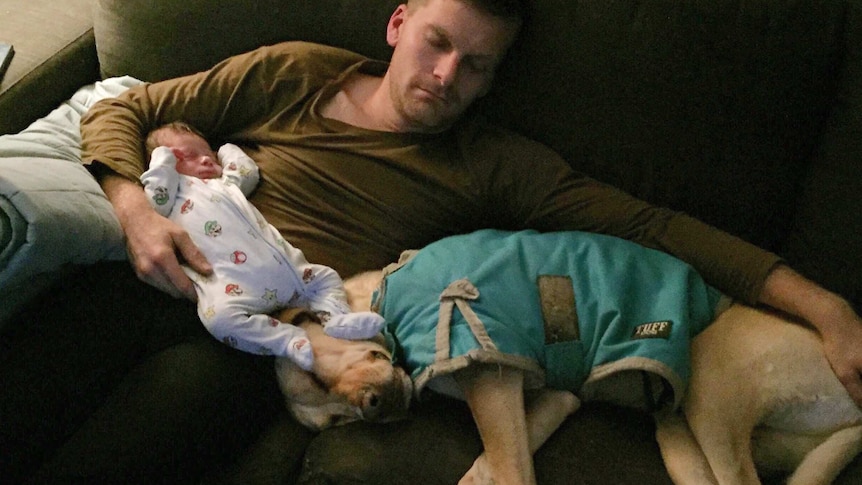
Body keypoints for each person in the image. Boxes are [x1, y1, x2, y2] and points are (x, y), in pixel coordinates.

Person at [3, 0, 861, 482]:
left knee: (156, 416)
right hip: (147, 262)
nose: (447, 78)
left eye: (476, 66)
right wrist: (132, 204)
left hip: (266, 334)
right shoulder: (296, 71)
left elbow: (651, 225)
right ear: (399, 22)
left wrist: (825, 307)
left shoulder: (491, 165)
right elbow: (127, 105)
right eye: (437, 43)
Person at [141, 121, 385, 370]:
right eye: (190, 156)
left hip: (289, 274)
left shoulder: (225, 185)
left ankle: (337, 317)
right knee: (219, 321)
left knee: (327, 277)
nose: (206, 161)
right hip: (232, 288)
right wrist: (163, 160)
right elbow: (154, 199)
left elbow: (247, 171)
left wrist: (224, 150)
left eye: (210, 156)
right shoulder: (170, 198)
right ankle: (288, 340)